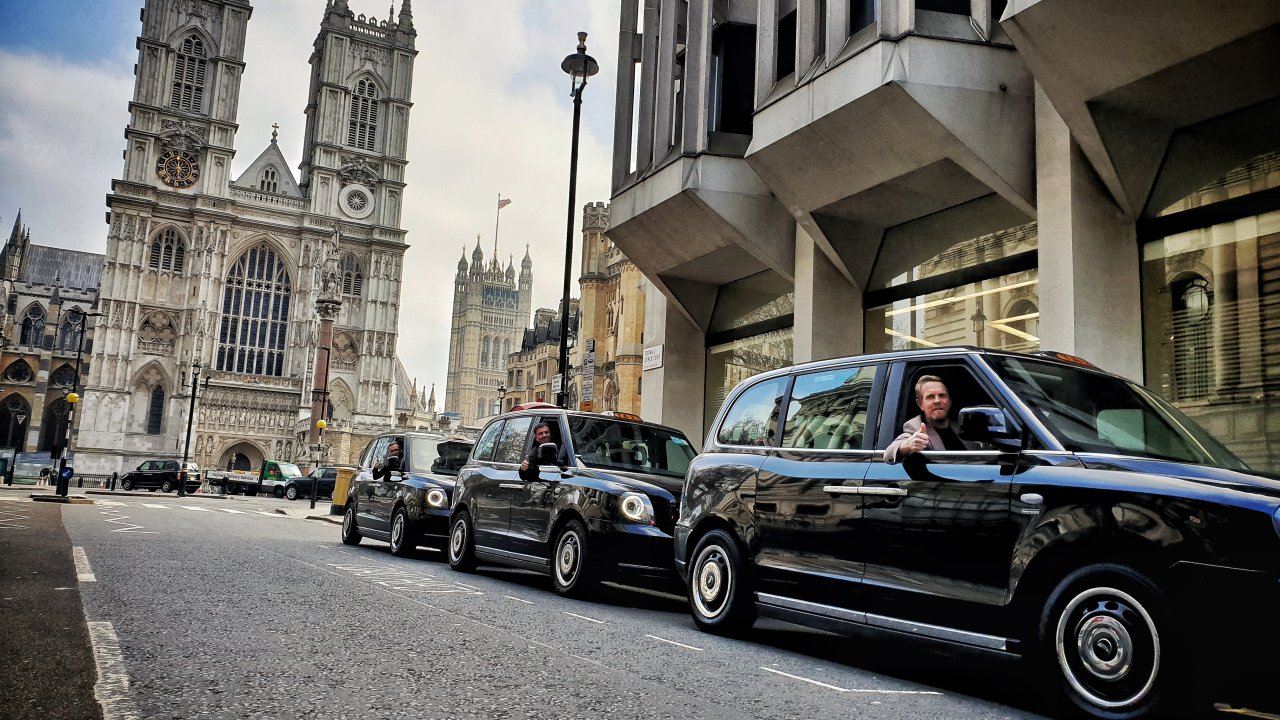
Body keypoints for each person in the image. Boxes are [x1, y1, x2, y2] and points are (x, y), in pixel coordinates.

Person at [884, 375, 975, 463]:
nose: (937, 401)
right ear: (920, 404)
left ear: (950, 401)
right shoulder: (915, 427)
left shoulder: (961, 427)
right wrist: (908, 445)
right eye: (930, 397)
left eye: (942, 395)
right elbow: (888, 454)